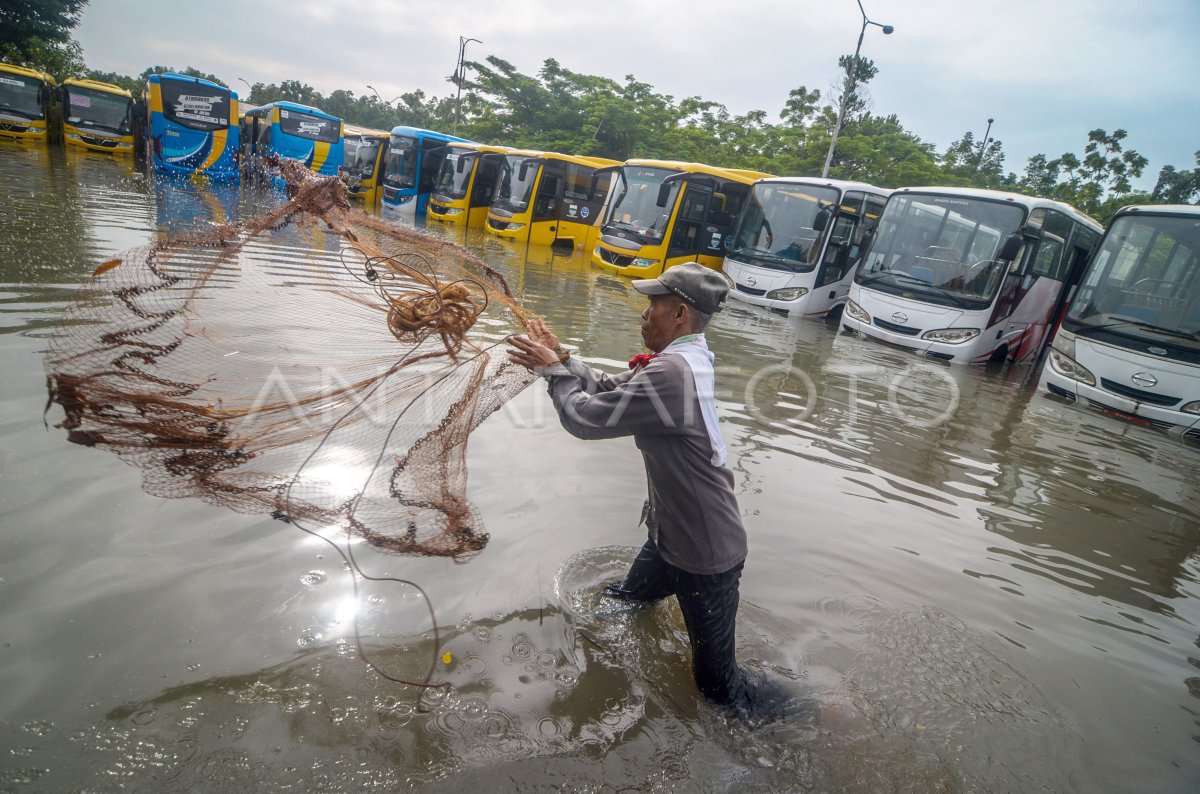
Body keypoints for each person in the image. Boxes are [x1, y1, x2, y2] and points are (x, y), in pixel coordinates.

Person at [506, 262, 752, 711]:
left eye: (652, 305)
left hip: (704, 555)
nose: (643, 315)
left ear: (680, 314)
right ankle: (605, 665)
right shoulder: (678, 362)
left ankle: (814, 709)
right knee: (624, 602)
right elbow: (603, 388)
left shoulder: (671, 374)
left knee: (721, 690)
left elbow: (585, 418)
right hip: (670, 537)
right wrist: (561, 360)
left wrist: (553, 373)